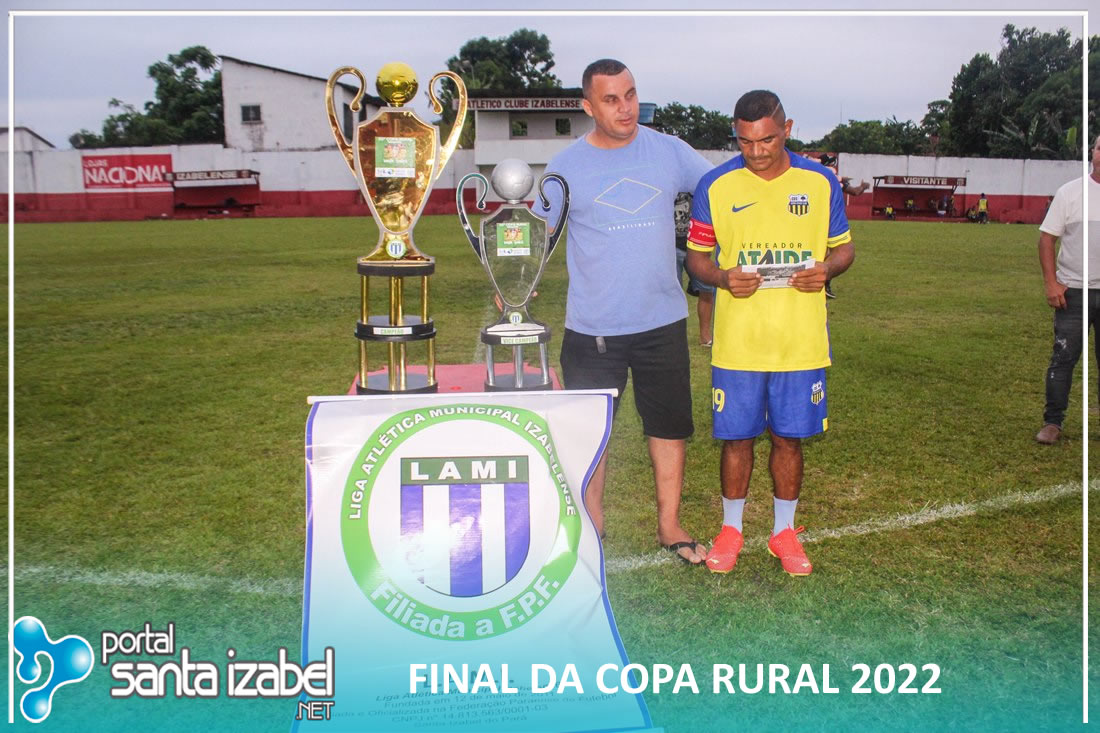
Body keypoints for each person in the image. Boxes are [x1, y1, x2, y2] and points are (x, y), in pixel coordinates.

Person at [544, 59, 715, 564]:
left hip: (662, 321)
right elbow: (536, 235)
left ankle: (670, 526)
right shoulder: (565, 167)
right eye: (612, 99)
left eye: (631, 94)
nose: (626, 108)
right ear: (588, 106)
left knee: (669, 426)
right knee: (591, 435)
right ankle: (591, 528)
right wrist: (516, 281)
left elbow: (719, 188)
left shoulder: (669, 150)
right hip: (592, 328)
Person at [685, 89, 854, 576]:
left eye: (767, 140)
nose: (756, 152)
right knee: (736, 440)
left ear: (788, 129)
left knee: (788, 439)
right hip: (739, 344)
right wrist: (721, 278)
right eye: (745, 142)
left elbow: (844, 248)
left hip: (800, 343)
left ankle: (784, 534)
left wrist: (827, 270)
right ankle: (731, 531)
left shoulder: (820, 182)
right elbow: (696, 259)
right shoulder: (715, 185)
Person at [1034, 135, 1100, 445]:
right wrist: (1051, 283)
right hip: (1073, 293)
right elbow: (1047, 239)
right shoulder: (1071, 192)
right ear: (1092, 153)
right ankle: (1053, 422)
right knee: (1063, 358)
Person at [674, 192, 715, 345]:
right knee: (674, 295)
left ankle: (705, 336)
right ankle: (677, 337)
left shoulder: (697, 184)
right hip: (671, 246)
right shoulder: (665, 183)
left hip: (697, 245)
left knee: (707, 290)